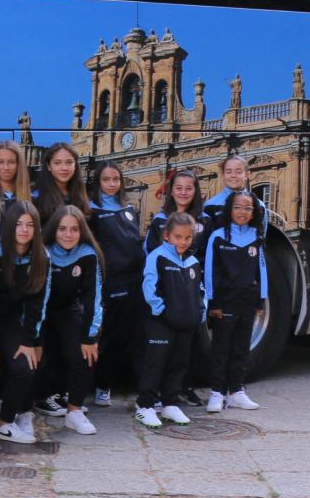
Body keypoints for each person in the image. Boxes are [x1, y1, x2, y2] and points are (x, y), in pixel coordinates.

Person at [144, 169, 209, 408]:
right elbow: (152, 257)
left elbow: (205, 257)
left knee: (189, 346)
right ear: (171, 191)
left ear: (196, 191)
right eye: (178, 188)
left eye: (189, 188)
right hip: (168, 292)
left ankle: (185, 388)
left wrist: (203, 297)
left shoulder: (204, 221)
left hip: (191, 289)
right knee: (163, 349)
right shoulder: (161, 221)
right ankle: (157, 394)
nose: (183, 192)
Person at [35, 206, 102, 436]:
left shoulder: (87, 254)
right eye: (62, 229)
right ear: (54, 229)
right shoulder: (42, 251)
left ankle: (74, 411)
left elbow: (93, 297)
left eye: (74, 229)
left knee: (85, 353)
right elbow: (35, 297)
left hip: (67, 309)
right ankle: (32, 403)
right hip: (39, 312)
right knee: (37, 357)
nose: (68, 234)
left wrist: (89, 336)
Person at [0, 200, 49, 444]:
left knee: (26, 367)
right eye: (19, 224)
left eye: (30, 225)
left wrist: (29, 340)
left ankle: (5, 422)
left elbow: (38, 301)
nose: (24, 230)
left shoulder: (41, 256)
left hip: (14, 321)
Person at [137, 212, 204, 429]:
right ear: (167, 236)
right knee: (155, 364)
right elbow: (149, 288)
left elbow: (200, 290)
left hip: (186, 324)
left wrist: (199, 312)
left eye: (187, 238)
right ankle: (145, 406)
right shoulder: (157, 256)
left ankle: (170, 403)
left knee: (179, 364)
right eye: (178, 237)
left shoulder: (193, 262)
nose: (182, 242)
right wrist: (162, 311)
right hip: (161, 322)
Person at [204, 192, 265, 413]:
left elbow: (262, 270)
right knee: (221, 349)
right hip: (224, 303)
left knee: (241, 349)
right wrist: (213, 302)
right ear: (230, 210)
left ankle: (236, 392)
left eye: (248, 208)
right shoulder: (218, 236)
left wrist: (261, 299)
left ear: (253, 213)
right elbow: (211, 270)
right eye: (238, 207)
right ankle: (216, 393)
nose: (242, 212)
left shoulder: (256, 236)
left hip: (247, 303)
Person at [87, 162, 142, 408]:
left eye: (115, 179)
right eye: (106, 180)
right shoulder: (92, 210)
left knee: (128, 336)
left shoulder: (129, 209)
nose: (111, 184)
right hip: (110, 282)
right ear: (98, 183)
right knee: (107, 336)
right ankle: (100, 385)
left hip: (134, 280)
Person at [200, 154, 268, 239]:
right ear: (223, 175)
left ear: (247, 175)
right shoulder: (209, 206)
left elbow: (261, 238)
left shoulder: (259, 205)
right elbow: (206, 240)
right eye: (229, 172)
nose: (233, 175)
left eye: (238, 172)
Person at [32, 142, 90, 225]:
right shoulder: (35, 198)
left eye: (69, 162)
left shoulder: (82, 199)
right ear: (49, 166)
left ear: (75, 166)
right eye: (57, 163)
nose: (64, 168)